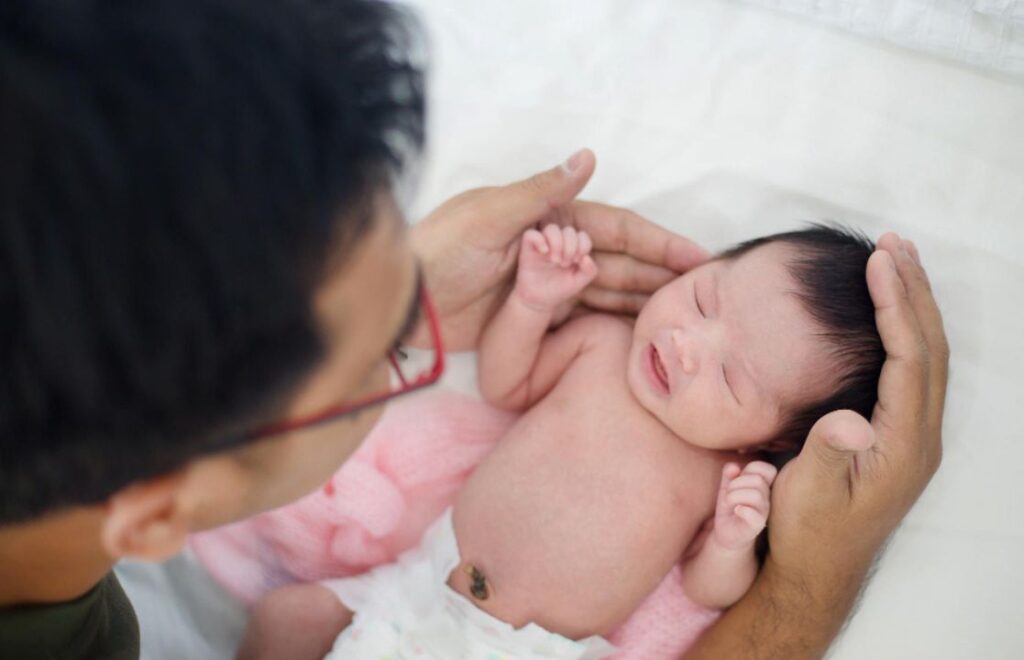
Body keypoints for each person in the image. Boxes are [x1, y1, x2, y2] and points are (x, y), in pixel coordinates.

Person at [0, 1, 948, 659]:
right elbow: (508, 385)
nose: (418, 357)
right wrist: (808, 593)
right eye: (386, 361)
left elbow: (702, 584)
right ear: (159, 513)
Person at [238, 224, 886, 658]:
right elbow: (505, 383)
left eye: (730, 377)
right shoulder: (601, 343)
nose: (689, 347)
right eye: (704, 300)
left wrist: (733, 539)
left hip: (528, 650)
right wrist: (531, 302)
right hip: (416, 586)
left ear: (770, 440)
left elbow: (705, 587)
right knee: (283, 621)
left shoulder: (720, 475)